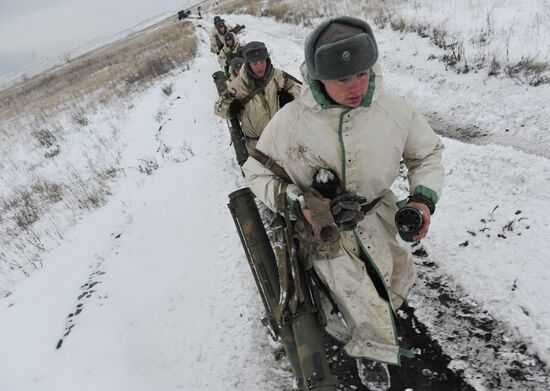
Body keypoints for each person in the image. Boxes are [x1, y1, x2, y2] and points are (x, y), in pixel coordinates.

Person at [242, 16, 444, 390]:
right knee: (348, 302)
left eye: (363, 74)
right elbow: (255, 171)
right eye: (342, 79)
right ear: (319, 77)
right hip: (325, 233)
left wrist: (421, 200)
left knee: (390, 282)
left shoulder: (393, 111)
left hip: (378, 219)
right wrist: (295, 201)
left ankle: (385, 327)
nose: (355, 87)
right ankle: (367, 353)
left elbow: (427, 155)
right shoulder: (290, 123)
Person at [214, 41, 301, 152]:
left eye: (262, 62)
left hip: (283, 138)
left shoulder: (278, 76)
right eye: (255, 64)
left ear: (267, 60)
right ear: (247, 64)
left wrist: (291, 96)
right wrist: (230, 108)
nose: (260, 67)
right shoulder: (238, 85)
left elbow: (300, 92)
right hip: (257, 145)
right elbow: (218, 108)